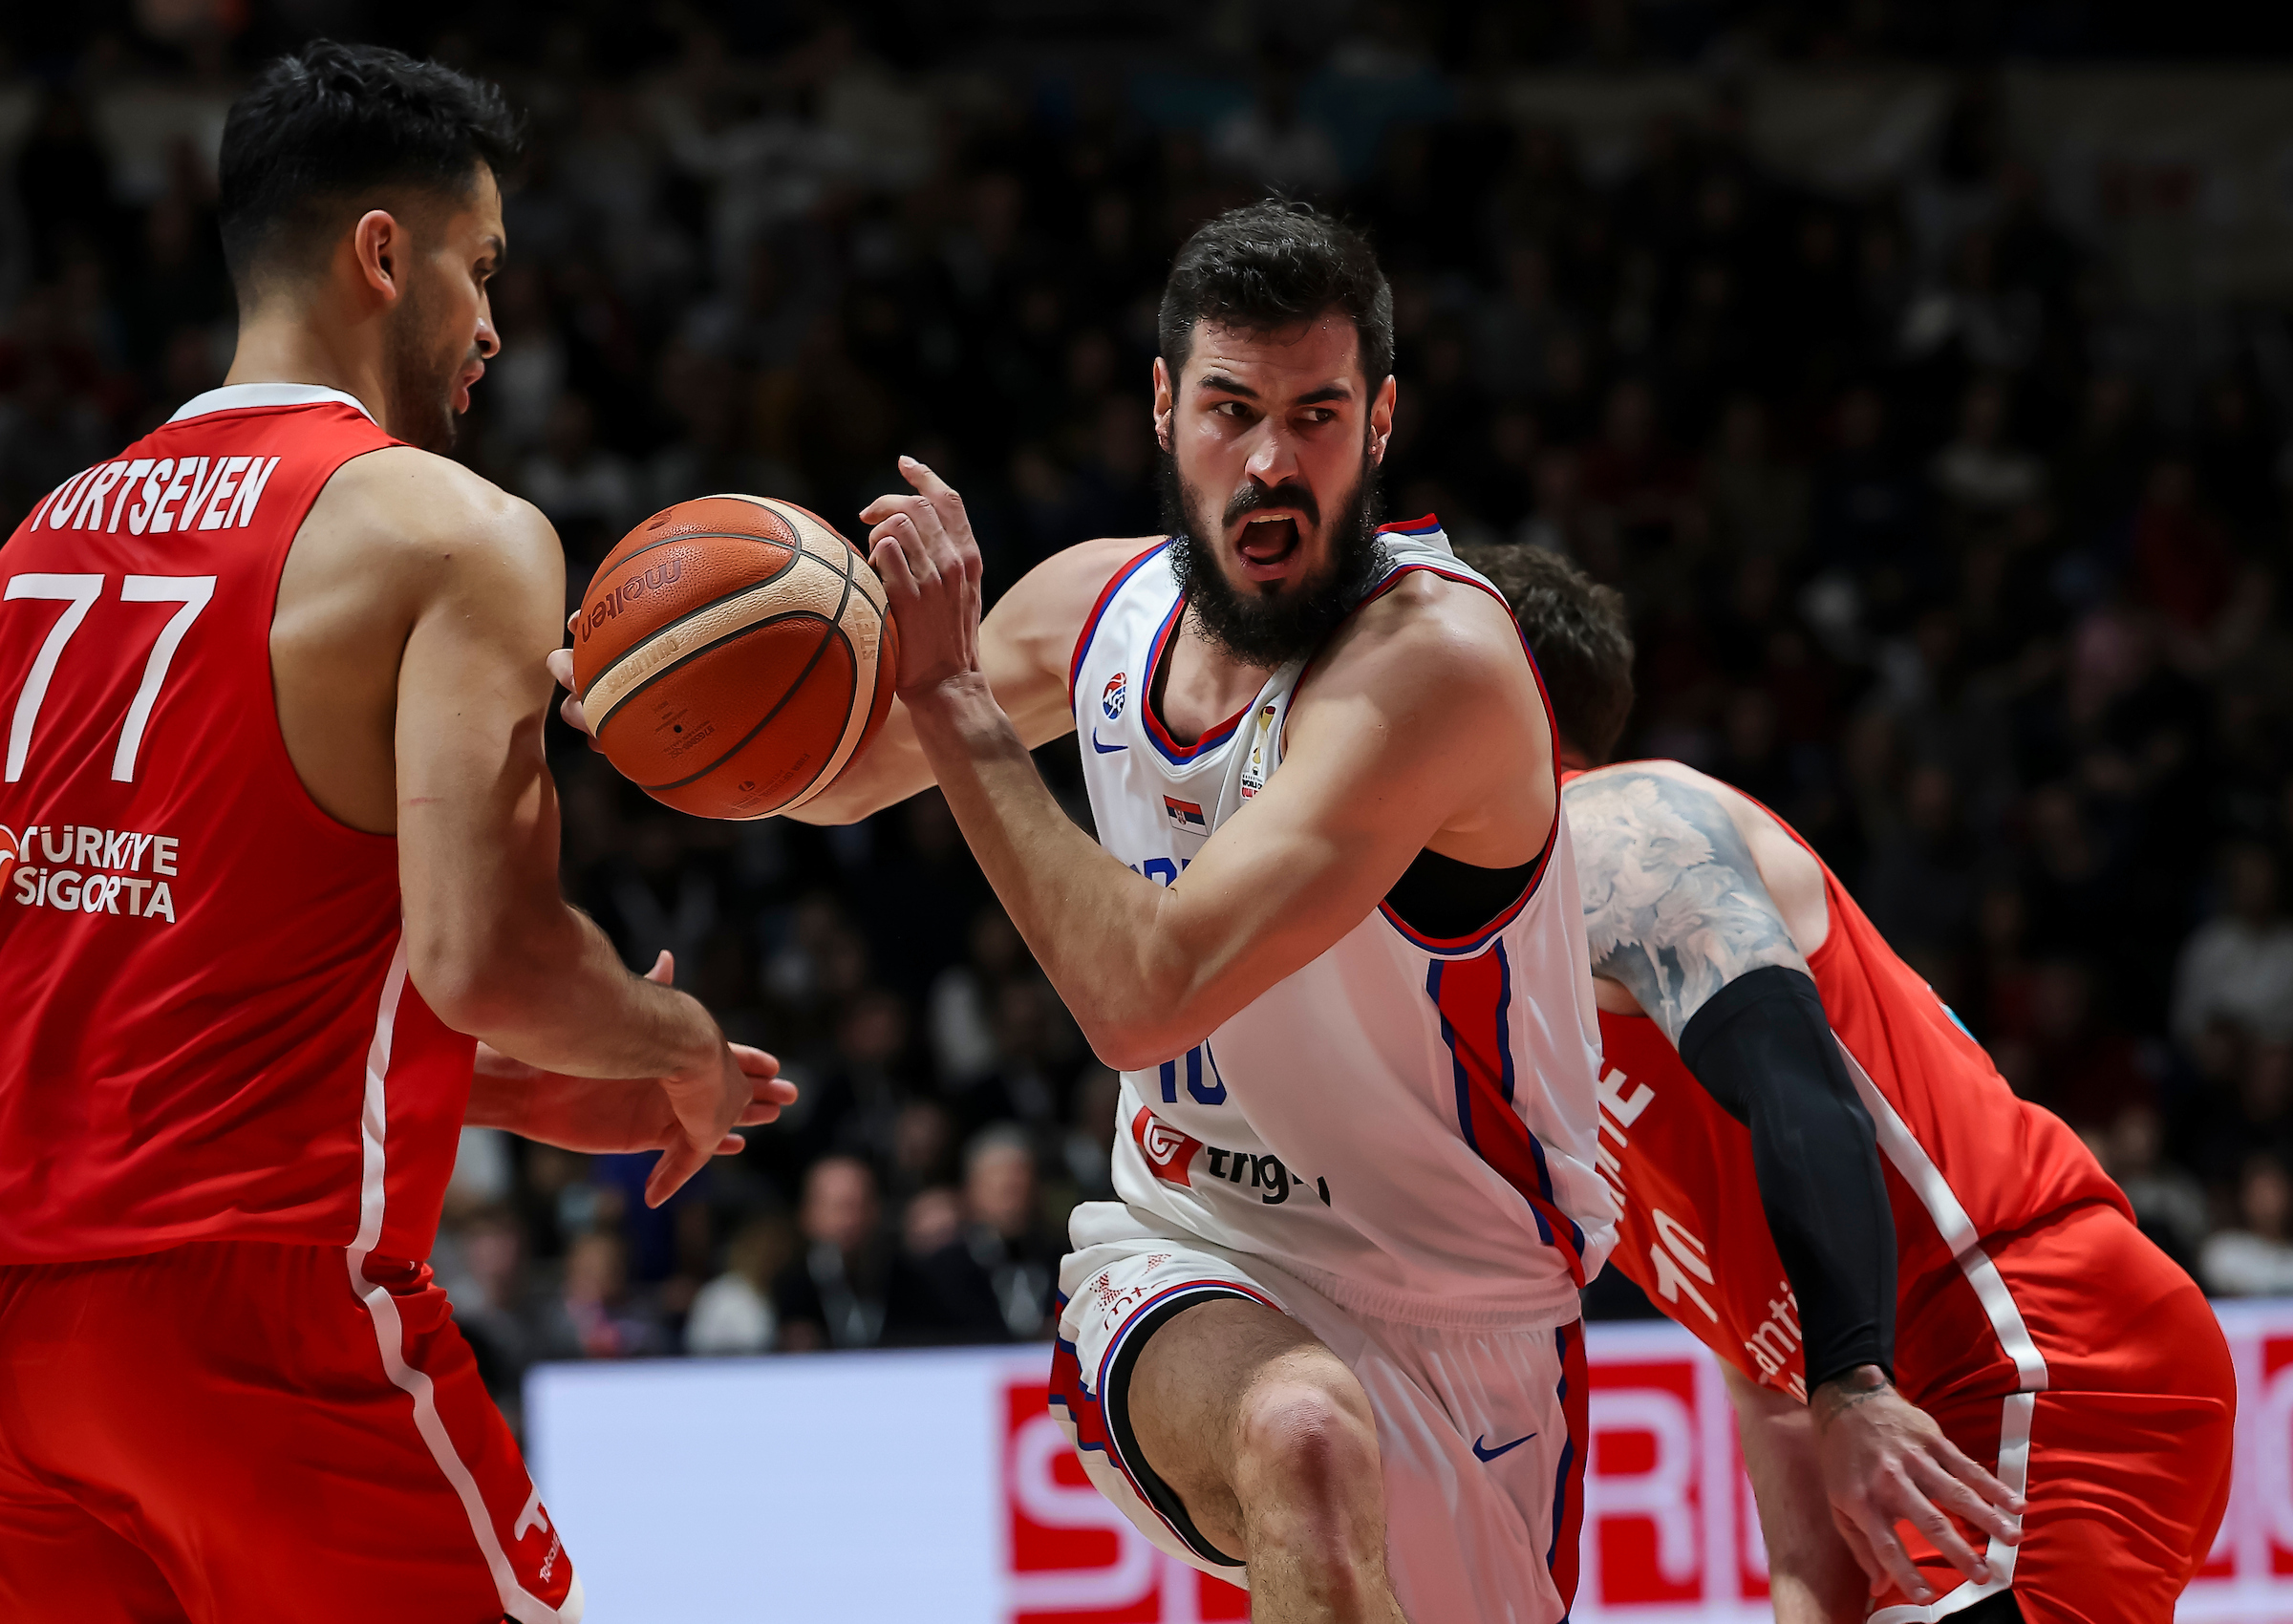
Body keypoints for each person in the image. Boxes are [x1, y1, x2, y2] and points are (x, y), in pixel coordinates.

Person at [561, 201, 1617, 1622]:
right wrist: (636, 697)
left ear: (1379, 426)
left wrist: (950, 692)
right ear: (1165, 408)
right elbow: (834, 774)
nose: (1269, 461)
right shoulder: (1093, 608)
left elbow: (1142, 990)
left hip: (1467, 1318)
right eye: (1231, 409)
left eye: (1315, 415)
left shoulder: (1436, 665)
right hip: (1190, 1258)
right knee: (1299, 1432)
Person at [0, 43, 792, 1624]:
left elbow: (152, 975)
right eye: (480, 268)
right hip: (263, 1327)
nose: (494, 323)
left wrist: (503, 1091)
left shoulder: (39, 538)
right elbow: (486, 951)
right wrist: (676, 1039)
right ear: (384, 252)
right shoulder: (451, 532)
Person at [1466, 542, 2237, 1624]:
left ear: (1491, 691)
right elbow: (1758, 1366)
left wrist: (1854, 1379)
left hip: (2031, 1337)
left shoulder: (1608, 828)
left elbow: (1800, 1084)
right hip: (1907, 1390)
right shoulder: (1490, 988)